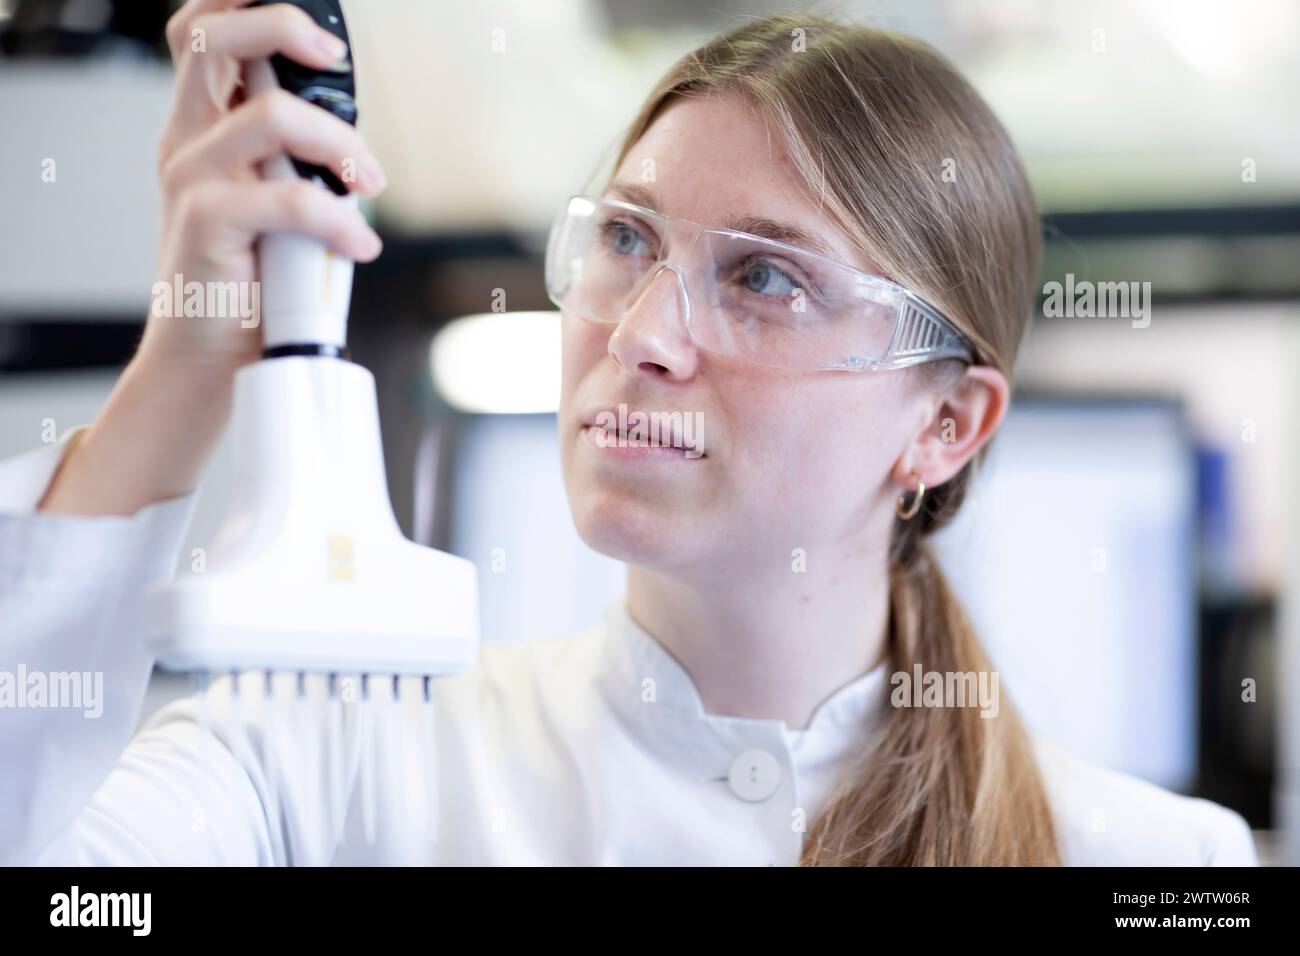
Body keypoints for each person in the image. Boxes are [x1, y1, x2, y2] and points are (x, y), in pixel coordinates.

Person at [0, 2, 1256, 866]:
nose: (644, 331)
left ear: (942, 422)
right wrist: (182, 366)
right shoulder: (324, 766)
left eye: (765, 277)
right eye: (626, 240)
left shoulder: (1157, 862)